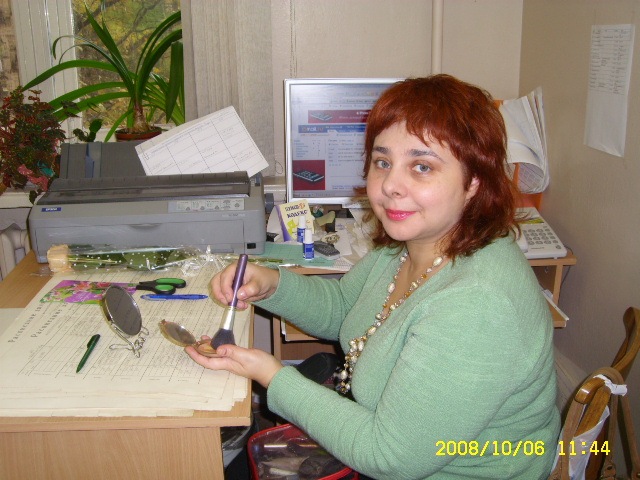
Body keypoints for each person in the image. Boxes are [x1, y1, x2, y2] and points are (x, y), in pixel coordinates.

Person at [186, 74, 560, 479]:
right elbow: (345, 309)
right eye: (383, 162)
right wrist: (270, 283)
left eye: (421, 166)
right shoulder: (413, 241)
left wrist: (271, 375)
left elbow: (389, 457)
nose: (390, 186)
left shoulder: (478, 305)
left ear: (473, 182)